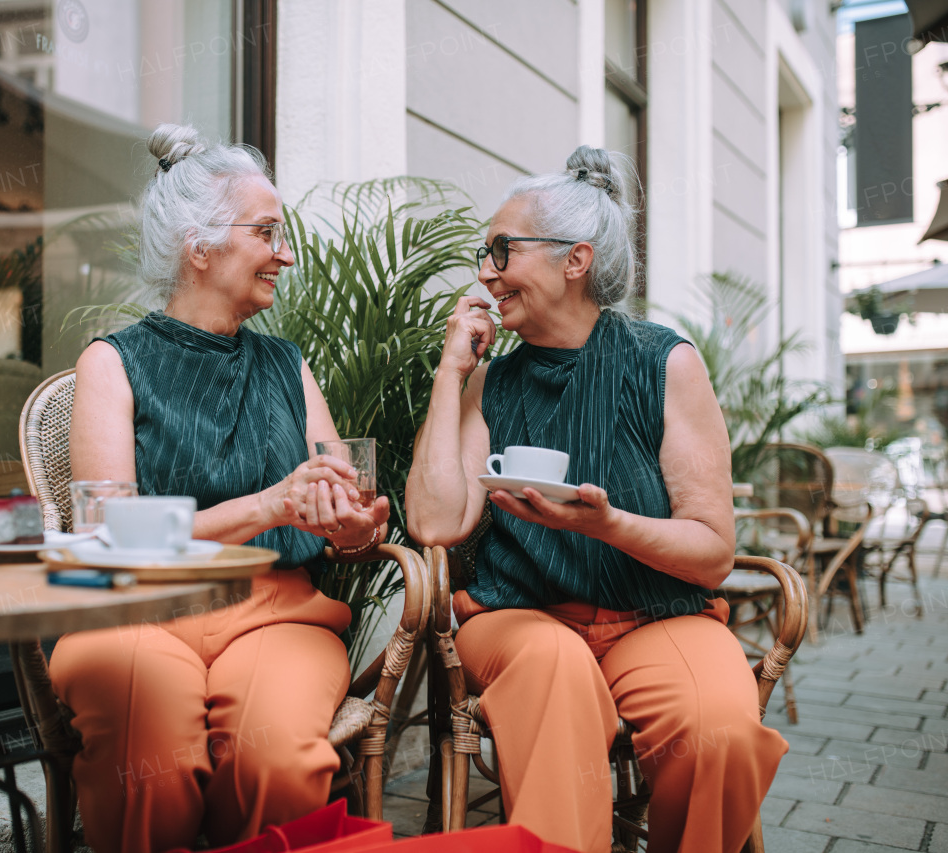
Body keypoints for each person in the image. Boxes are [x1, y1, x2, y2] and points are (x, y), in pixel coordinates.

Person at [406, 146, 787, 853]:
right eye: (483, 253)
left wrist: (610, 524)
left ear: (574, 260)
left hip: (656, 612)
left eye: (501, 250)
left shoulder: (664, 363)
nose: (485, 271)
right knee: (556, 677)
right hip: (521, 617)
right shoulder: (494, 382)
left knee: (721, 728)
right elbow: (434, 520)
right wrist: (452, 371)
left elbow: (712, 552)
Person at [49, 124, 390, 853]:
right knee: (151, 760)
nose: (287, 253)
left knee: (276, 759)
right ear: (198, 246)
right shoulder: (113, 363)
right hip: (141, 608)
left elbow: (338, 501)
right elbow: (109, 530)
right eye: (268, 232)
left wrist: (354, 526)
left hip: (277, 611)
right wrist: (268, 504)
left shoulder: (287, 364)